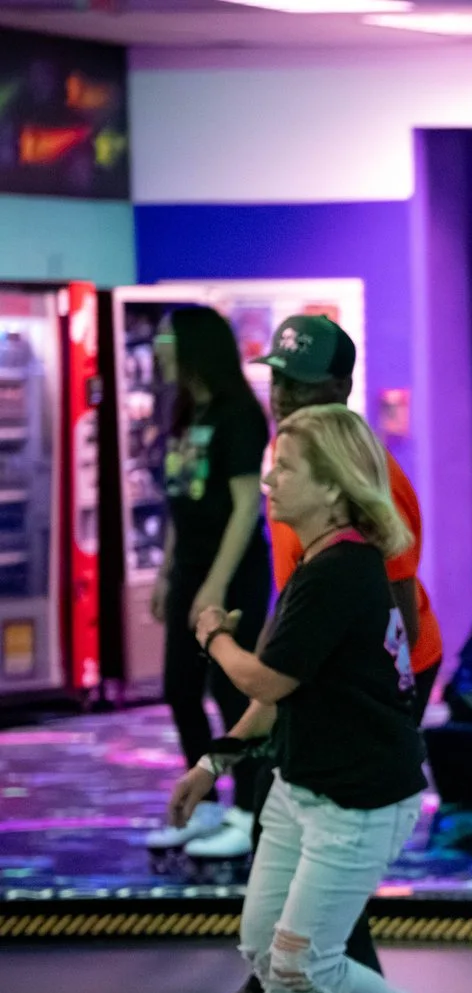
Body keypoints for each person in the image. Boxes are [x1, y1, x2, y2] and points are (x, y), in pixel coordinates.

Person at [169, 404, 472, 993]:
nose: (269, 476)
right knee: (264, 944)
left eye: (286, 467)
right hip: (304, 788)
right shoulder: (322, 564)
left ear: (332, 487)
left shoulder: (341, 572)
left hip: (361, 800)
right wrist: (211, 762)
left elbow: (260, 674)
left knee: (305, 957)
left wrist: (212, 634)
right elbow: (276, 694)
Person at [194, 314, 447, 993]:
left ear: (339, 386)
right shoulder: (289, 454)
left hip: (380, 661)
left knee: (334, 824)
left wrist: (393, 704)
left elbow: (390, 597)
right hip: (321, 651)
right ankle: (302, 983)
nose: (282, 393)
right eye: (276, 377)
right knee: (302, 822)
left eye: (300, 382)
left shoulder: (362, 471)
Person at [140, 306, 274, 855]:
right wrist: (168, 573)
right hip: (193, 568)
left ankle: (248, 812)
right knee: (178, 687)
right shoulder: (184, 409)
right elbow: (179, 502)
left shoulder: (240, 413)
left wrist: (215, 585)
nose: (158, 349)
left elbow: (246, 509)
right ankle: (210, 803)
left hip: (233, 568)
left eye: (168, 338)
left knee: (229, 690)